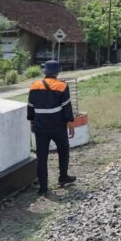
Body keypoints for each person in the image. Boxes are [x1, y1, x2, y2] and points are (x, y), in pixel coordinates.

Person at [27, 60, 76, 195]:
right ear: (57, 72)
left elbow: (30, 107)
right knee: (63, 150)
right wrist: (70, 122)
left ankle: (43, 188)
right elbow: (67, 106)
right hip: (57, 126)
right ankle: (63, 177)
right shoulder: (62, 86)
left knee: (41, 157)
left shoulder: (34, 86)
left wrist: (32, 122)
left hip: (40, 127)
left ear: (45, 72)